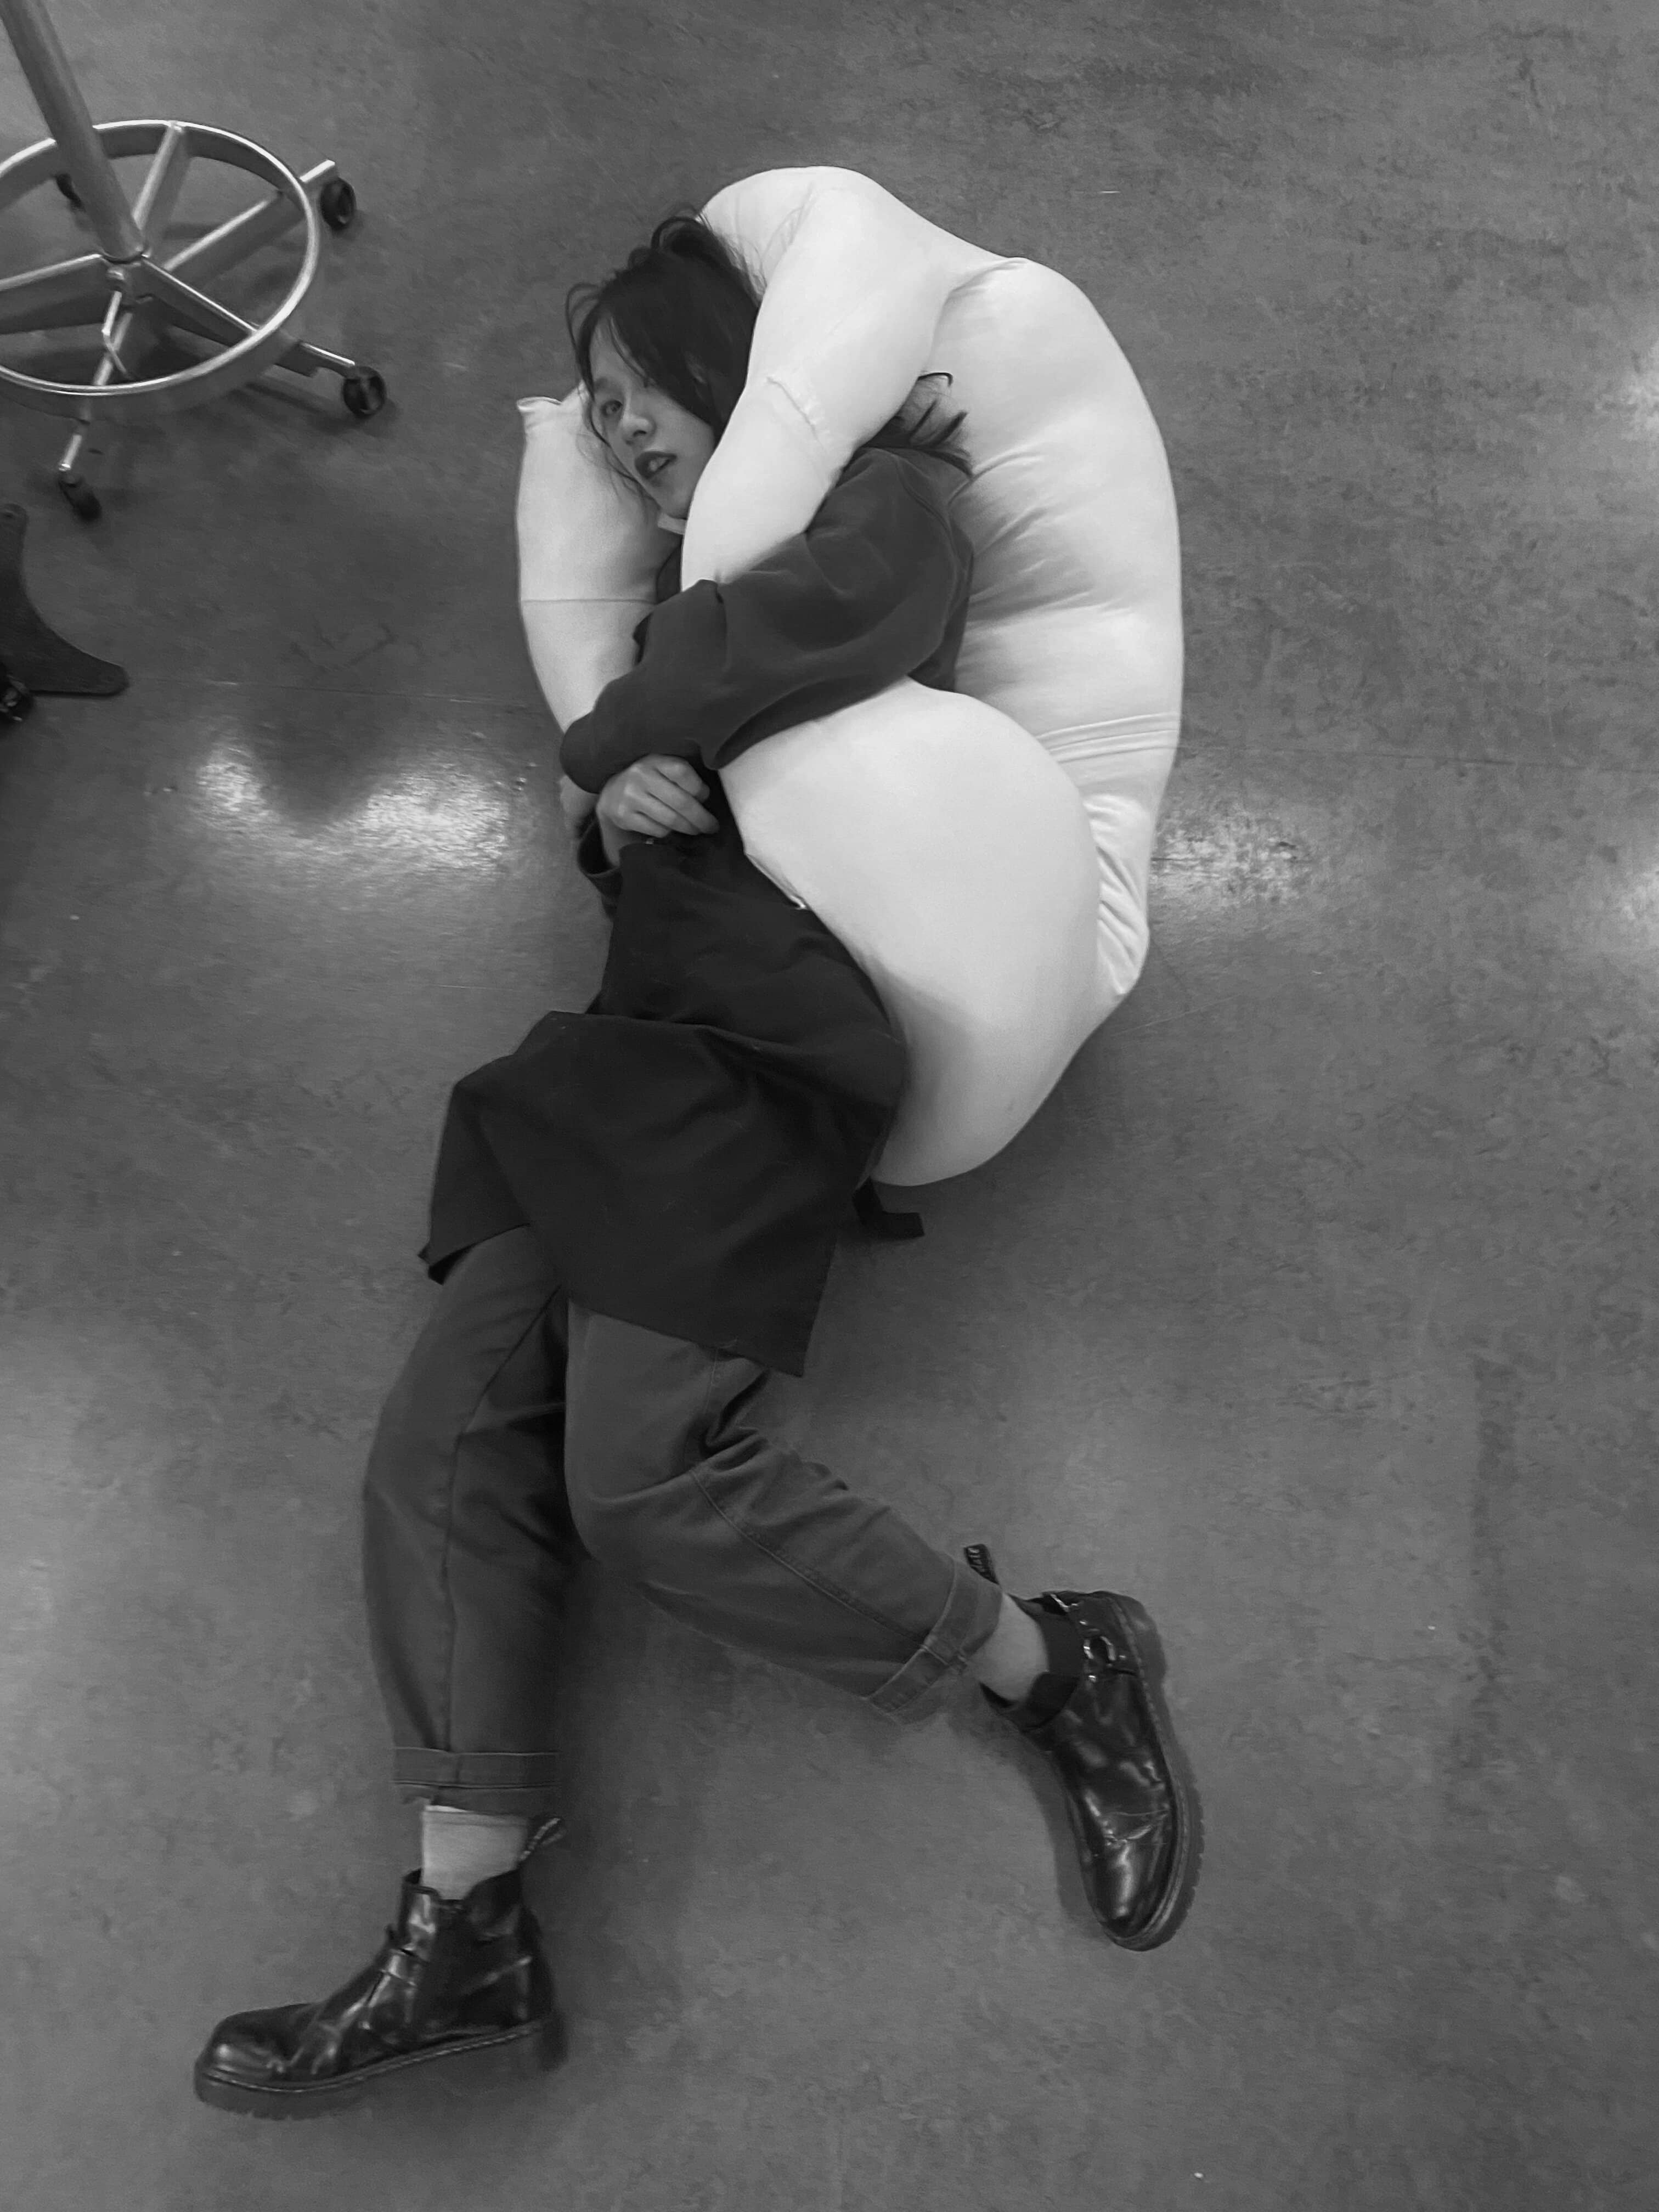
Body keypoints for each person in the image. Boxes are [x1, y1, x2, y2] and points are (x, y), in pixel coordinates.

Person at [192, 211, 1200, 2123]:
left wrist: (610, 752)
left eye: (632, 393)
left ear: (731, 371)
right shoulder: (688, 596)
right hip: (623, 1053)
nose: (615, 434)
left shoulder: (881, 503)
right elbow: (653, 787)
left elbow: (801, 640)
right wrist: (622, 800)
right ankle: (466, 1928)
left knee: (647, 1478)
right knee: (442, 1447)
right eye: (590, 414)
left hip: (758, 1039)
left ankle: (1053, 1661)